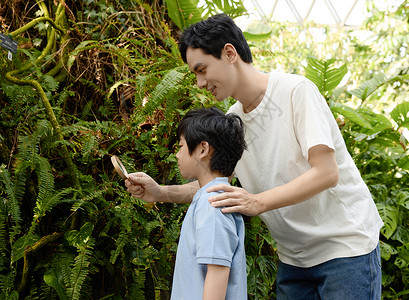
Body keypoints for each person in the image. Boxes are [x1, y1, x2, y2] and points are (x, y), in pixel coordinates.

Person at [127, 13, 383, 299]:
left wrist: (257, 201)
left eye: (202, 69)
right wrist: (160, 192)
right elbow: (215, 187)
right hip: (294, 260)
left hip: (345, 250)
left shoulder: (295, 92)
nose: (199, 82)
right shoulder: (232, 121)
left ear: (229, 53)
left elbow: (326, 173)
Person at [172, 107, 247, 300]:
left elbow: (217, 273)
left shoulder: (212, 204)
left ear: (203, 149)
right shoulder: (210, 197)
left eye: (180, 146)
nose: (177, 155)